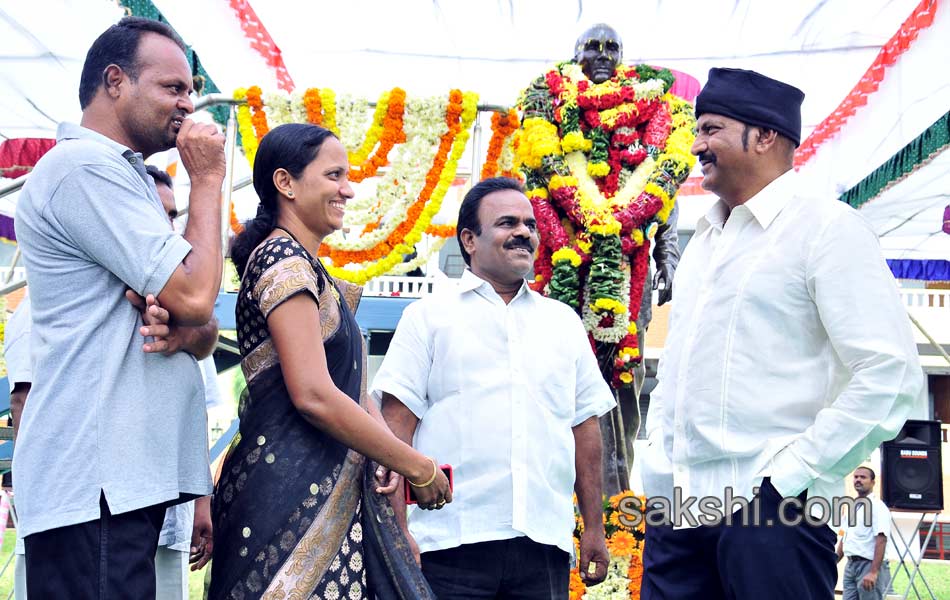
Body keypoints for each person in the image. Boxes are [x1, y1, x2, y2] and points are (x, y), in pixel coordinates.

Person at [638, 67, 923, 600]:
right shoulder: (701, 241)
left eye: (711, 129)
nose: (697, 144)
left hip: (774, 511)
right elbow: (677, 368)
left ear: (765, 135)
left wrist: (788, 476)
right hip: (679, 510)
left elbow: (891, 373)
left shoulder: (827, 229)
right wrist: (657, 471)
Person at [13, 16, 224, 598]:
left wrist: (186, 329)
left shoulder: (123, 177)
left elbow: (198, 320)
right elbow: (196, 293)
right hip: (94, 481)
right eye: (173, 87)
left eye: (191, 91)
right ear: (114, 81)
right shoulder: (83, 168)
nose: (188, 104)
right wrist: (207, 179)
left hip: (120, 483)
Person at [209, 123, 449, 600]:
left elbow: (353, 396)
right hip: (289, 497)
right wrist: (417, 466)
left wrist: (389, 458)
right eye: (334, 175)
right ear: (286, 183)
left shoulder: (306, 267)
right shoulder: (283, 260)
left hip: (317, 490)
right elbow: (315, 394)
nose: (349, 189)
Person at [372, 177, 616, 599]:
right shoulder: (428, 318)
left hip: (542, 543)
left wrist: (593, 527)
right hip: (449, 544)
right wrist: (399, 536)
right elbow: (395, 433)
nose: (524, 232)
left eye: (530, 224)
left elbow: (585, 430)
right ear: (469, 239)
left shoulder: (563, 323)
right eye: (507, 223)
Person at [519, 24, 694, 492]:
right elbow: (531, 197)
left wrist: (667, 259)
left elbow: (663, 196)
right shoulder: (547, 111)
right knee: (559, 377)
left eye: (610, 47)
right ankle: (561, 491)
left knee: (622, 380)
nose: (601, 55)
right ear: (574, 55)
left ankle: (614, 498)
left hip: (627, 269)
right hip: (563, 268)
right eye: (591, 47)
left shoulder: (652, 110)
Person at [146, 164, 215, 598]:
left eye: (172, 215)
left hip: (170, 516)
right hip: (105, 511)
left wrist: (201, 502)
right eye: (155, 212)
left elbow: (197, 410)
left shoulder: (181, 296)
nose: (165, 225)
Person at [838, 467, 892, 600]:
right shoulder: (851, 507)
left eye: (863, 477)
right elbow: (844, 537)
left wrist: (873, 572)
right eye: (856, 477)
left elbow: (881, 539)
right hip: (850, 566)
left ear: (873, 482)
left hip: (868, 565)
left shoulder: (878, 507)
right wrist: (833, 561)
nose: (858, 480)